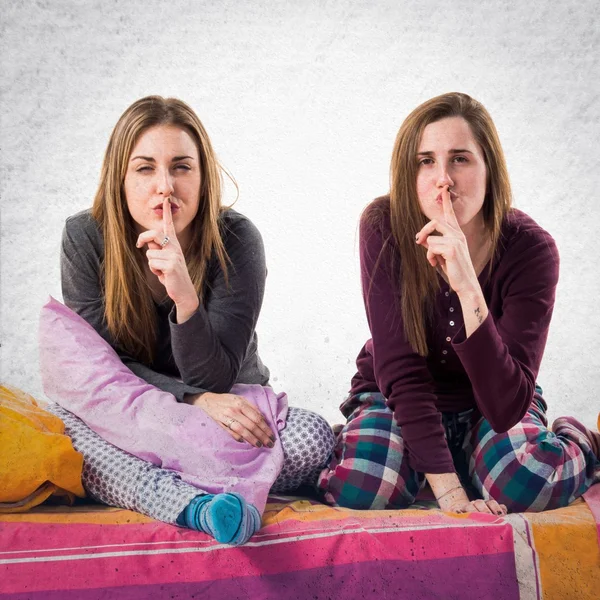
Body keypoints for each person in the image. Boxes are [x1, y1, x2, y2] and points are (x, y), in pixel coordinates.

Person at [54, 95, 335, 544]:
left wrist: (184, 296)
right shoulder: (84, 237)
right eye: (145, 168)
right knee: (65, 435)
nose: (164, 186)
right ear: (119, 178)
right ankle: (194, 506)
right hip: (132, 411)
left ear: (204, 179)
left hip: (227, 408)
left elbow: (217, 377)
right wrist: (190, 400)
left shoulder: (236, 239)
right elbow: (99, 371)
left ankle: (162, 483)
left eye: (182, 167)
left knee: (313, 439)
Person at [318, 92, 600, 515]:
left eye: (461, 159)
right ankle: (418, 454)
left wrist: (468, 282)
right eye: (425, 161)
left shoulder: (532, 249)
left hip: (490, 402)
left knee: (524, 484)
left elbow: (506, 404)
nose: (442, 178)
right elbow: (400, 368)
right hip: (400, 395)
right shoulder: (383, 226)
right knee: (362, 488)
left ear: (489, 168)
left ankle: (583, 440)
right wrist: (452, 496)